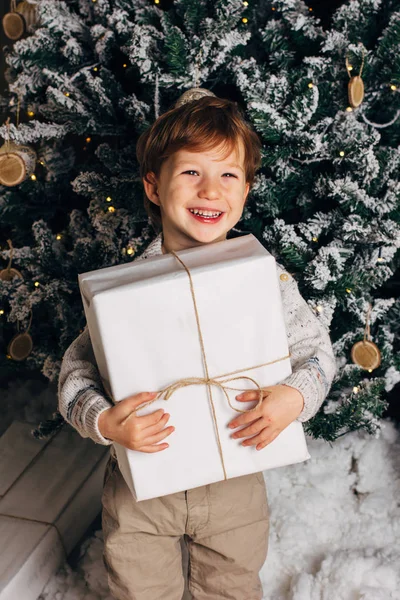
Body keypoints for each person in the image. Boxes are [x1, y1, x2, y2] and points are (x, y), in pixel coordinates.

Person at [58, 89, 337, 600]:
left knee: (231, 582)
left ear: (247, 190)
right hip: (142, 484)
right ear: (154, 186)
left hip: (236, 476)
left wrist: (293, 397)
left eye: (228, 174)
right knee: (138, 584)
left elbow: (317, 353)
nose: (210, 189)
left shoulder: (265, 279)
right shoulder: (121, 291)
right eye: (191, 172)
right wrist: (103, 420)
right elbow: (76, 374)